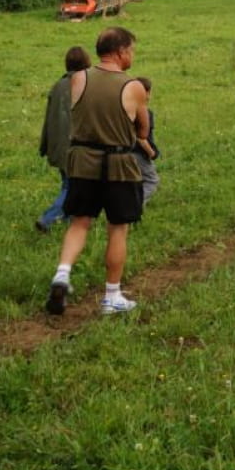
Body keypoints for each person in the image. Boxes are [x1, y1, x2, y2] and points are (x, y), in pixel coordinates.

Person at [46, 27, 149, 317]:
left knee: (79, 222)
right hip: (118, 166)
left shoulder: (78, 78)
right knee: (117, 228)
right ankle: (112, 296)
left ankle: (62, 274)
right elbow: (143, 129)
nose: (132, 55)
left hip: (81, 163)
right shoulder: (134, 87)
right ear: (120, 51)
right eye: (131, 50)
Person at [36, 46, 92, 233]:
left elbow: (48, 119)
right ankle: (48, 218)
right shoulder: (84, 86)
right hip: (75, 148)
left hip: (58, 146)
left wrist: (44, 145)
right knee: (72, 186)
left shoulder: (57, 86)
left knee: (68, 183)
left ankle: (69, 218)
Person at [133, 76, 160, 204]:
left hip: (121, 152)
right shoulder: (145, 113)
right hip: (139, 154)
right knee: (151, 180)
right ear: (147, 93)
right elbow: (141, 137)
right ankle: (135, 205)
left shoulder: (125, 109)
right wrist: (151, 153)